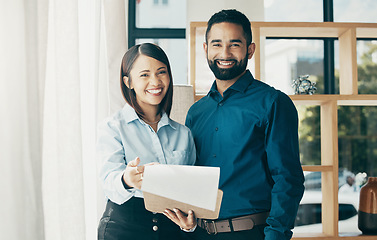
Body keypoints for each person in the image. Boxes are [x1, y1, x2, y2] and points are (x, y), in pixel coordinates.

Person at [164, 9, 305, 240]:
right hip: (199, 234)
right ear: (205, 49)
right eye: (217, 44)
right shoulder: (196, 112)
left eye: (235, 44)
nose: (225, 53)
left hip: (251, 234)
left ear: (250, 50)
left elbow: (288, 180)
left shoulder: (273, 103)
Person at [97, 43, 196, 240]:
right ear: (128, 82)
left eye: (161, 72)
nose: (155, 81)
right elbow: (108, 182)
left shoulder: (184, 134)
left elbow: (190, 192)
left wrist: (189, 225)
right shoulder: (112, 127)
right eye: (144, 75)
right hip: (123, 230)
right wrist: (127, 180)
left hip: (171, 231)